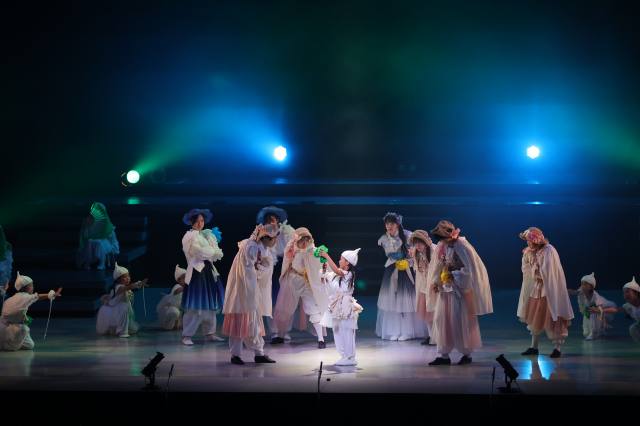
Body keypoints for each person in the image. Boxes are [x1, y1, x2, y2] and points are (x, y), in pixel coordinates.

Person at [428, 220, 493, 366]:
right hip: (445, 289)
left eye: (443, 238)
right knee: (442, 319)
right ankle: (444, 354)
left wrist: (453, 275)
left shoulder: (461, 246)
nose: (442, 241)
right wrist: (436, 281)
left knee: (459, 320)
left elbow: (469, 270)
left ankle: (466, 353)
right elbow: (438, 265)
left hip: (458, 291)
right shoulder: (442, 246)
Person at [222, 224, 280, 365]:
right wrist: (260, 270)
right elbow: (247, 270)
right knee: (240, 320)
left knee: (253, 322)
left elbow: (259, 267)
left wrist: (262, 269)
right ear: (266, 238)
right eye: (274, 238)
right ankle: (236, 355)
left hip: (251, 289)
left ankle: (259, 353)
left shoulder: (259, 247)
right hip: (243, 291)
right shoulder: (251, 247)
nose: (275, 242)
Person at [517, 227, 573, 358]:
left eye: (529, 240)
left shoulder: (549, 250)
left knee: (554, 317)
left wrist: (537, 271)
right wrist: (532, 267)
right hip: (537, 289)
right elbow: (526, 269)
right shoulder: (529, 252)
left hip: (549, 290)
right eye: (526, 241)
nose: (528, 243)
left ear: (536, 240)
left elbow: (549, 271)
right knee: (534, 318)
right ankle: (534, 346)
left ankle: (557, 348)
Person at [272, 227, 328, 348]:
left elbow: (322, 265)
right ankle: (280, 335)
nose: (304, 243)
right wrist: (292, 248)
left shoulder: (313, 251)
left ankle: (321, 339)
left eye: (306, 240)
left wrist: (324, 269)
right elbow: (287, 259)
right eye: (301, 240)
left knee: (313, 309)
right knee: (284, 308)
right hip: (292, 280)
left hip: (306, 282)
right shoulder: (293, 249)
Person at [376, 212, 426, 341]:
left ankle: (407, 331)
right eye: (387, 224)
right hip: (392, 270)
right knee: (392, 301)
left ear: (397, 224)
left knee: (406, 302)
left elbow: (417, 254)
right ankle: (395, 330)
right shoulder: (384, 238)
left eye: (391, 223)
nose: (389, 226)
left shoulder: (408, 235)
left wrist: (409, 262)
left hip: (406, 271)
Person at [180, 208, 225, 345]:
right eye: (197, 221)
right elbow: (198, 252)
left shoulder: (207, 235)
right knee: (195, 305)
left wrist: (211, 251)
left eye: (202, 220)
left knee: (211, 304)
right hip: (197, 273)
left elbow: (218, 253)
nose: (200, 223)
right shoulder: (189, 236)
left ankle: (210, 333)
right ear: (191, 222)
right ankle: (187, 335)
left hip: (208, 272)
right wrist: (211, 251)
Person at [319, 248, 363, 366]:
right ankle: (343, 355)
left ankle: (350, 357)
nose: (339, 261)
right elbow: (326, 280)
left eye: (341, 259)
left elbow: (336, 271)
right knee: (337, 330)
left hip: (345, 305)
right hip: (336, 305)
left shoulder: (349, 274)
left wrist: (327, 256)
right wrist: (324, 271)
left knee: (346, 330)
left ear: (347, 263)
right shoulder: (336, 274)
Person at [0, 272, 62, 350]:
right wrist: (50, 295)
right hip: (12, 329)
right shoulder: (25, 297)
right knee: (13, 343)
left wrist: (24, 318)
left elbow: (12, 313)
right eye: (31, 285)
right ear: (27, 288)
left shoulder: (11, 299)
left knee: (30, 345)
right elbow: (37, 297)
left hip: (4, 327)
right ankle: (9, 344)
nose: (33, 287)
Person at [96, 263, 146, 337]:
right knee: (123, 311)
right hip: (119, 309)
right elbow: (126, 288)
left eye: (128, 276)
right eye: (125, 277)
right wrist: (136, 284)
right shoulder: (119, 287)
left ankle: (118, 329)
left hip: (124, 307)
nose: (128, 278)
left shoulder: (123, 287)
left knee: (133, 328)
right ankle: (122, 332)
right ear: (118, 279)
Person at [568, 272, 616, 340]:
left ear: (591, 286)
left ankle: (595, 332)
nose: (582, 286)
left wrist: (603, 321)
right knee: (586, 333)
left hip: (608, 310)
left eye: (585, 284)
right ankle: (600, 329)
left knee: (593, 310)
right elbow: (574, 292)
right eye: (582, 284)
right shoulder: (581, 291)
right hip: (596, 311)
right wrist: (566, 291)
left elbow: (601, 310)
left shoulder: (595, 296)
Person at [76, 202, 120, 270]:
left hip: (105, 244)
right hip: (91, 243)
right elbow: (83, 236)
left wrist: (114, 249)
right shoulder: (87, 222)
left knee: (99, 243)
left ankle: (101, 263)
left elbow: (112, 240)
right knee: (89, 242)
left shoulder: (106, 224)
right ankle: (88, 262)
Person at [156, 265, 186, 330]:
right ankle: (168, 326)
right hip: (166, 313)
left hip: (177, 314)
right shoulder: (177, 286)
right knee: (174, 312)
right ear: (179, 280)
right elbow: (177, 291)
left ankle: (175, 324)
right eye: (184, 277)